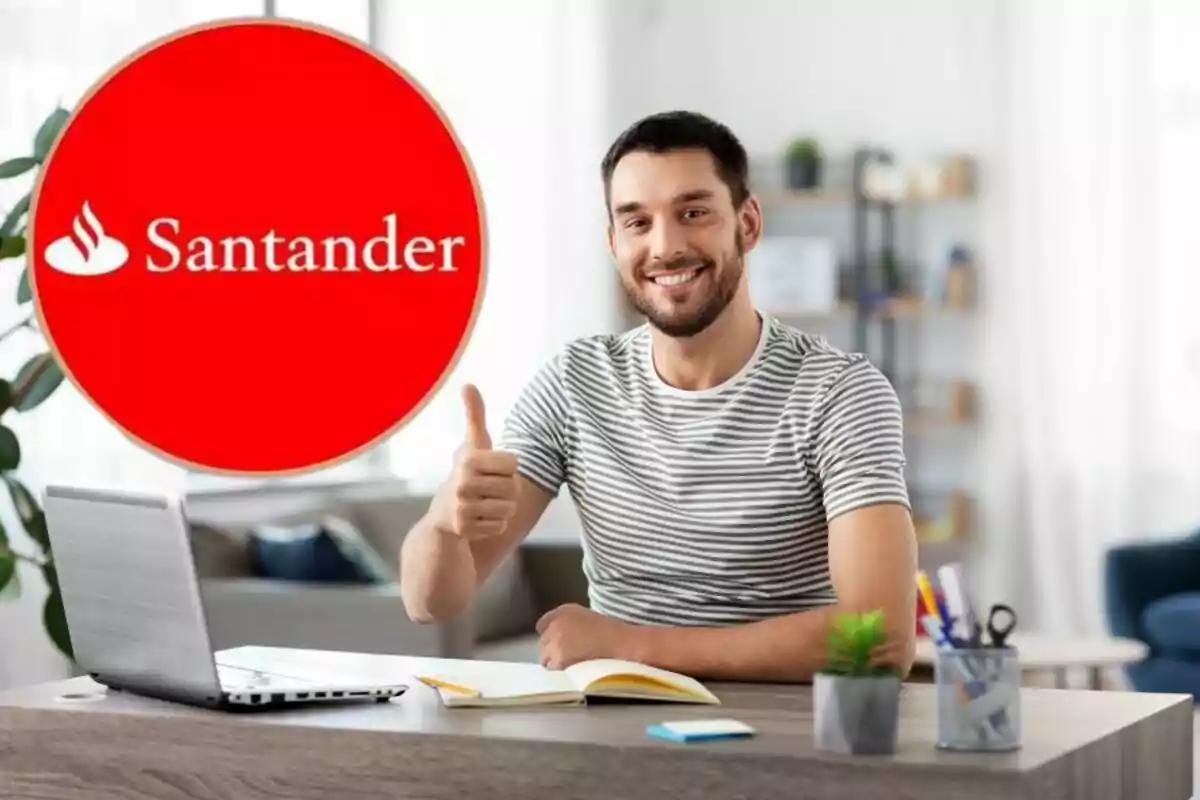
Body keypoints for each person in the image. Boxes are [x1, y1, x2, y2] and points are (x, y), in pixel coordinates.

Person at [400, 110, 918, 683]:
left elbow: (878, 639)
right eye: (637, 222)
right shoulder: (575, 385)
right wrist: (443, 523)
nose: (666, 247)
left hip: (785, 740)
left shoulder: (839, 393)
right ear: (614, 241)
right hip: (611, 737)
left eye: (693, 213)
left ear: (747, 224)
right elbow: (430, 604)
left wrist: (633, 645)